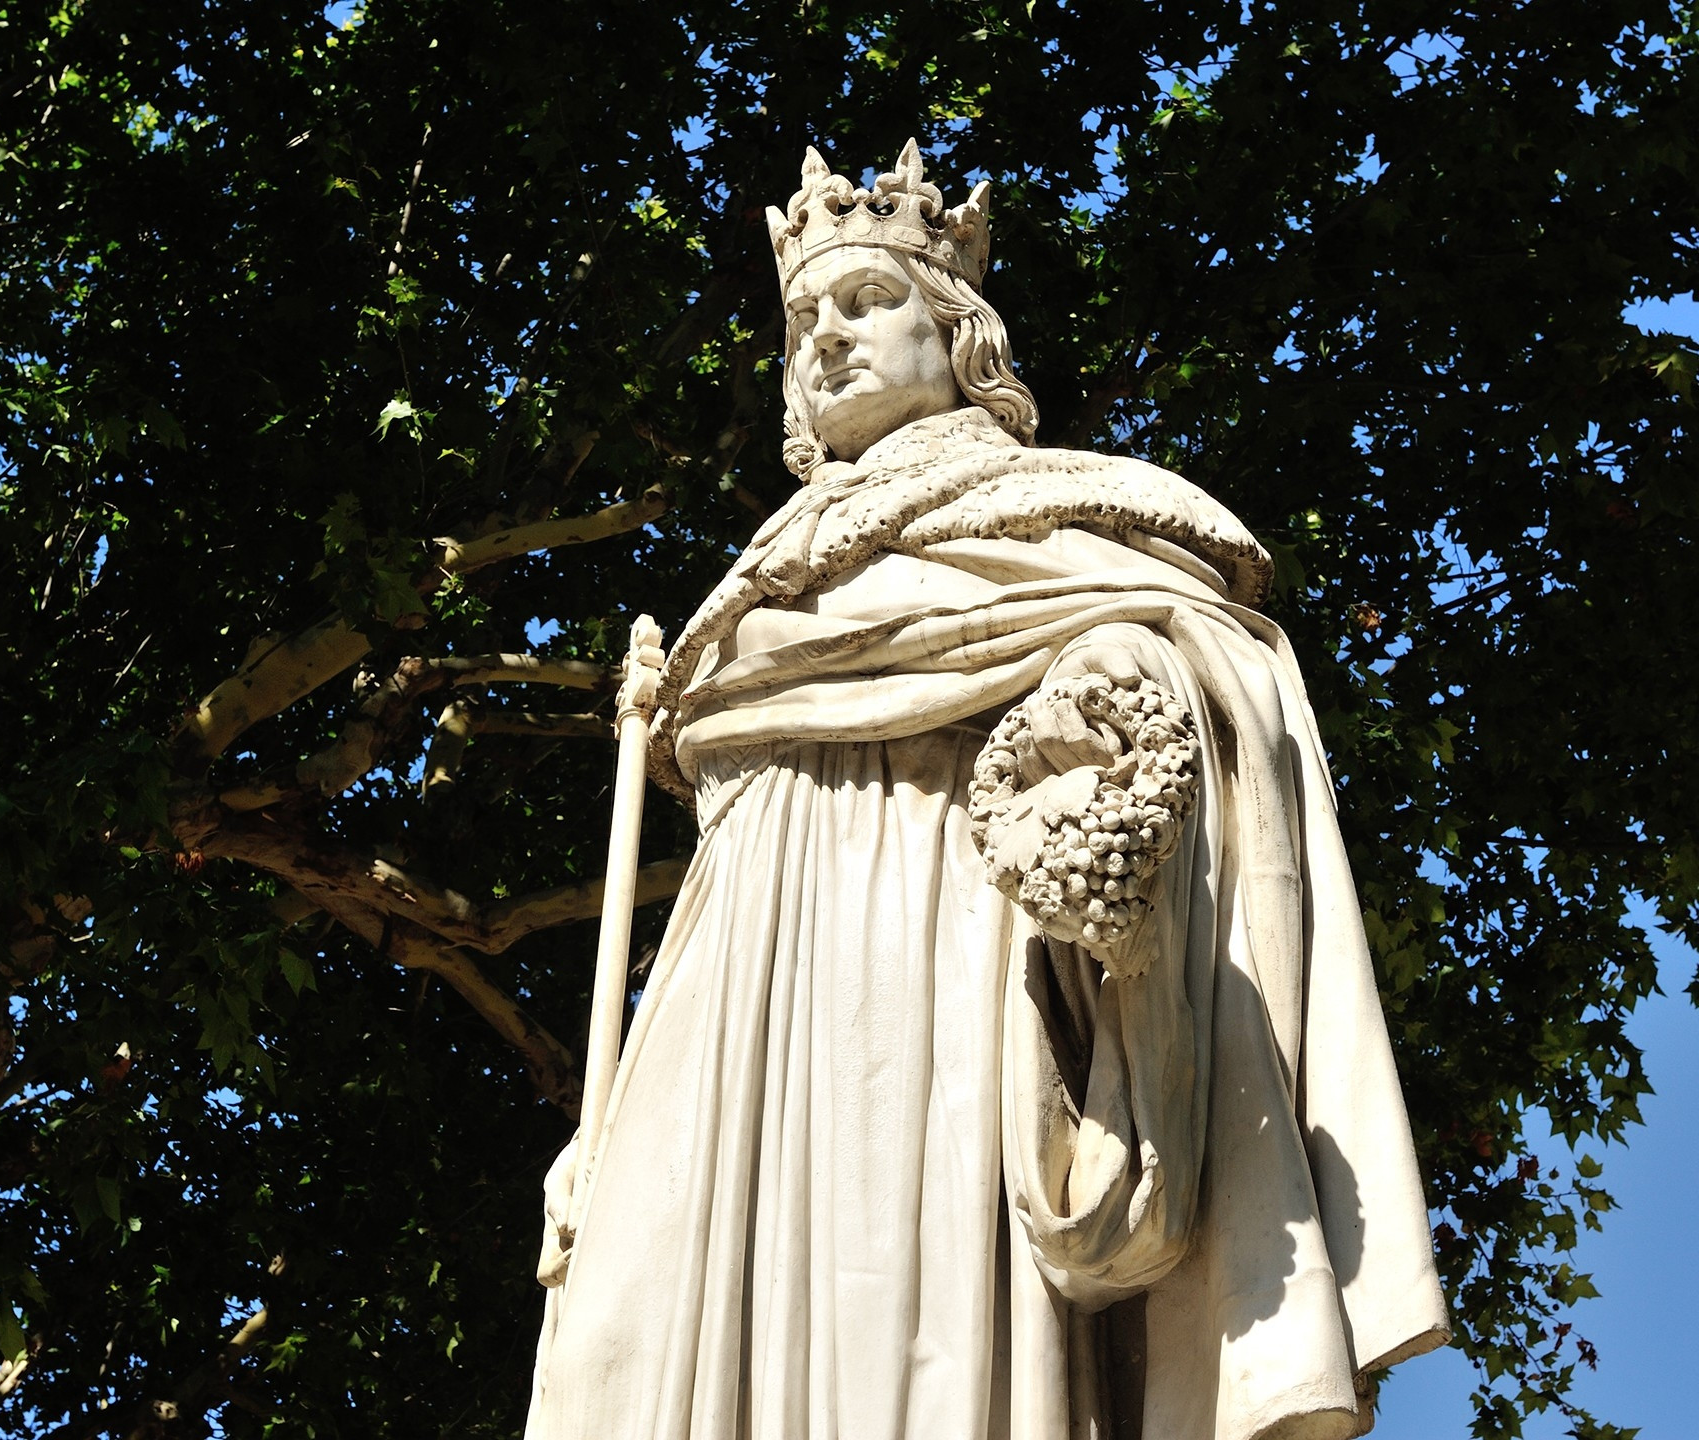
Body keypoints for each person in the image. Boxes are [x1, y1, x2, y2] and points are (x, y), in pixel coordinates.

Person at [526, 140, 1448, 1440]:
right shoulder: (750, 612)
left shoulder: (1068, 524)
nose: (825, 340)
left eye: (866, 305)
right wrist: (610, 1141)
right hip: (739, 1031)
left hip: (939, 979)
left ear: (957, 332)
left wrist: (1118, 767)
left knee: (910, 1343)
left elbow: (1197, 685)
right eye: (803, 320)